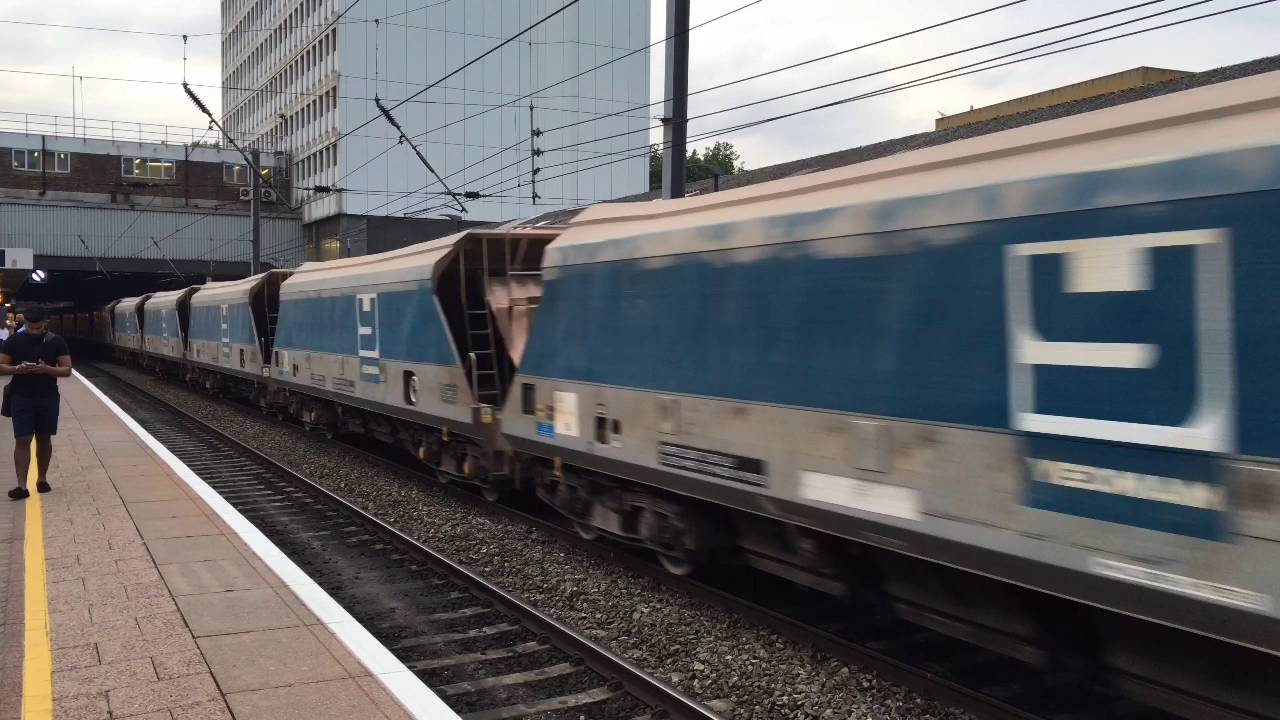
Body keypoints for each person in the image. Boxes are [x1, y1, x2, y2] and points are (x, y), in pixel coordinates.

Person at [0, 307, 72, 500]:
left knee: (44, 438)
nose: (34, 331)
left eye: (38, 328)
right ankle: (21, 486)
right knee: (22, 439)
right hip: (21, 396)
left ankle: (42, 479)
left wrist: (46, 369)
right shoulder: (13, 341)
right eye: (31, 327)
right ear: (25, 324)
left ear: (44, 325)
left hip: (47, 396)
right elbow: (1, 366)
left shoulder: (56, 342)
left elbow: (67, 370)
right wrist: (18, 369)